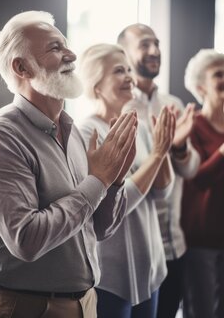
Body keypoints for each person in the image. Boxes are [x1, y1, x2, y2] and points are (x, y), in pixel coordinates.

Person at [0, 11, 138, 318]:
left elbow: (98, 228)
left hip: (85, 303)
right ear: (21, 67)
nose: (72, 54)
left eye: (66, 45)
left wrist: (114, 180)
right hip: (26, 307)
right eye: (56, 48)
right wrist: (99, 181)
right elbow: (26, 240)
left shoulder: (72, 131)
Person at [78, 42, 176, 318]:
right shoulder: (87, 132)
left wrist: (163, 149)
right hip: (111, 276)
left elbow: (161, 196)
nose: (130, 77)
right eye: (119, 71)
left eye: (129, 70)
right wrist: (156, 157)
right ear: (97, 83)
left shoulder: (140, 126)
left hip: (151, 268)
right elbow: (115, 206)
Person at [117, 23, 200, 318]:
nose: (154, 51)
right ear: (124, 53)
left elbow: (189, 170)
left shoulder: (173, 104)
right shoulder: (118, 107)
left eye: (156, 44)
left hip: (175, 245)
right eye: (143, 44)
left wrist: (178, 148)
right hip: (137, 250)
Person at [181, 49, 224, 318]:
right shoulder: (191, 126)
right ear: (200, 87)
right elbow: (197, 176)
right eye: (218, 74)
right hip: (202, 241)